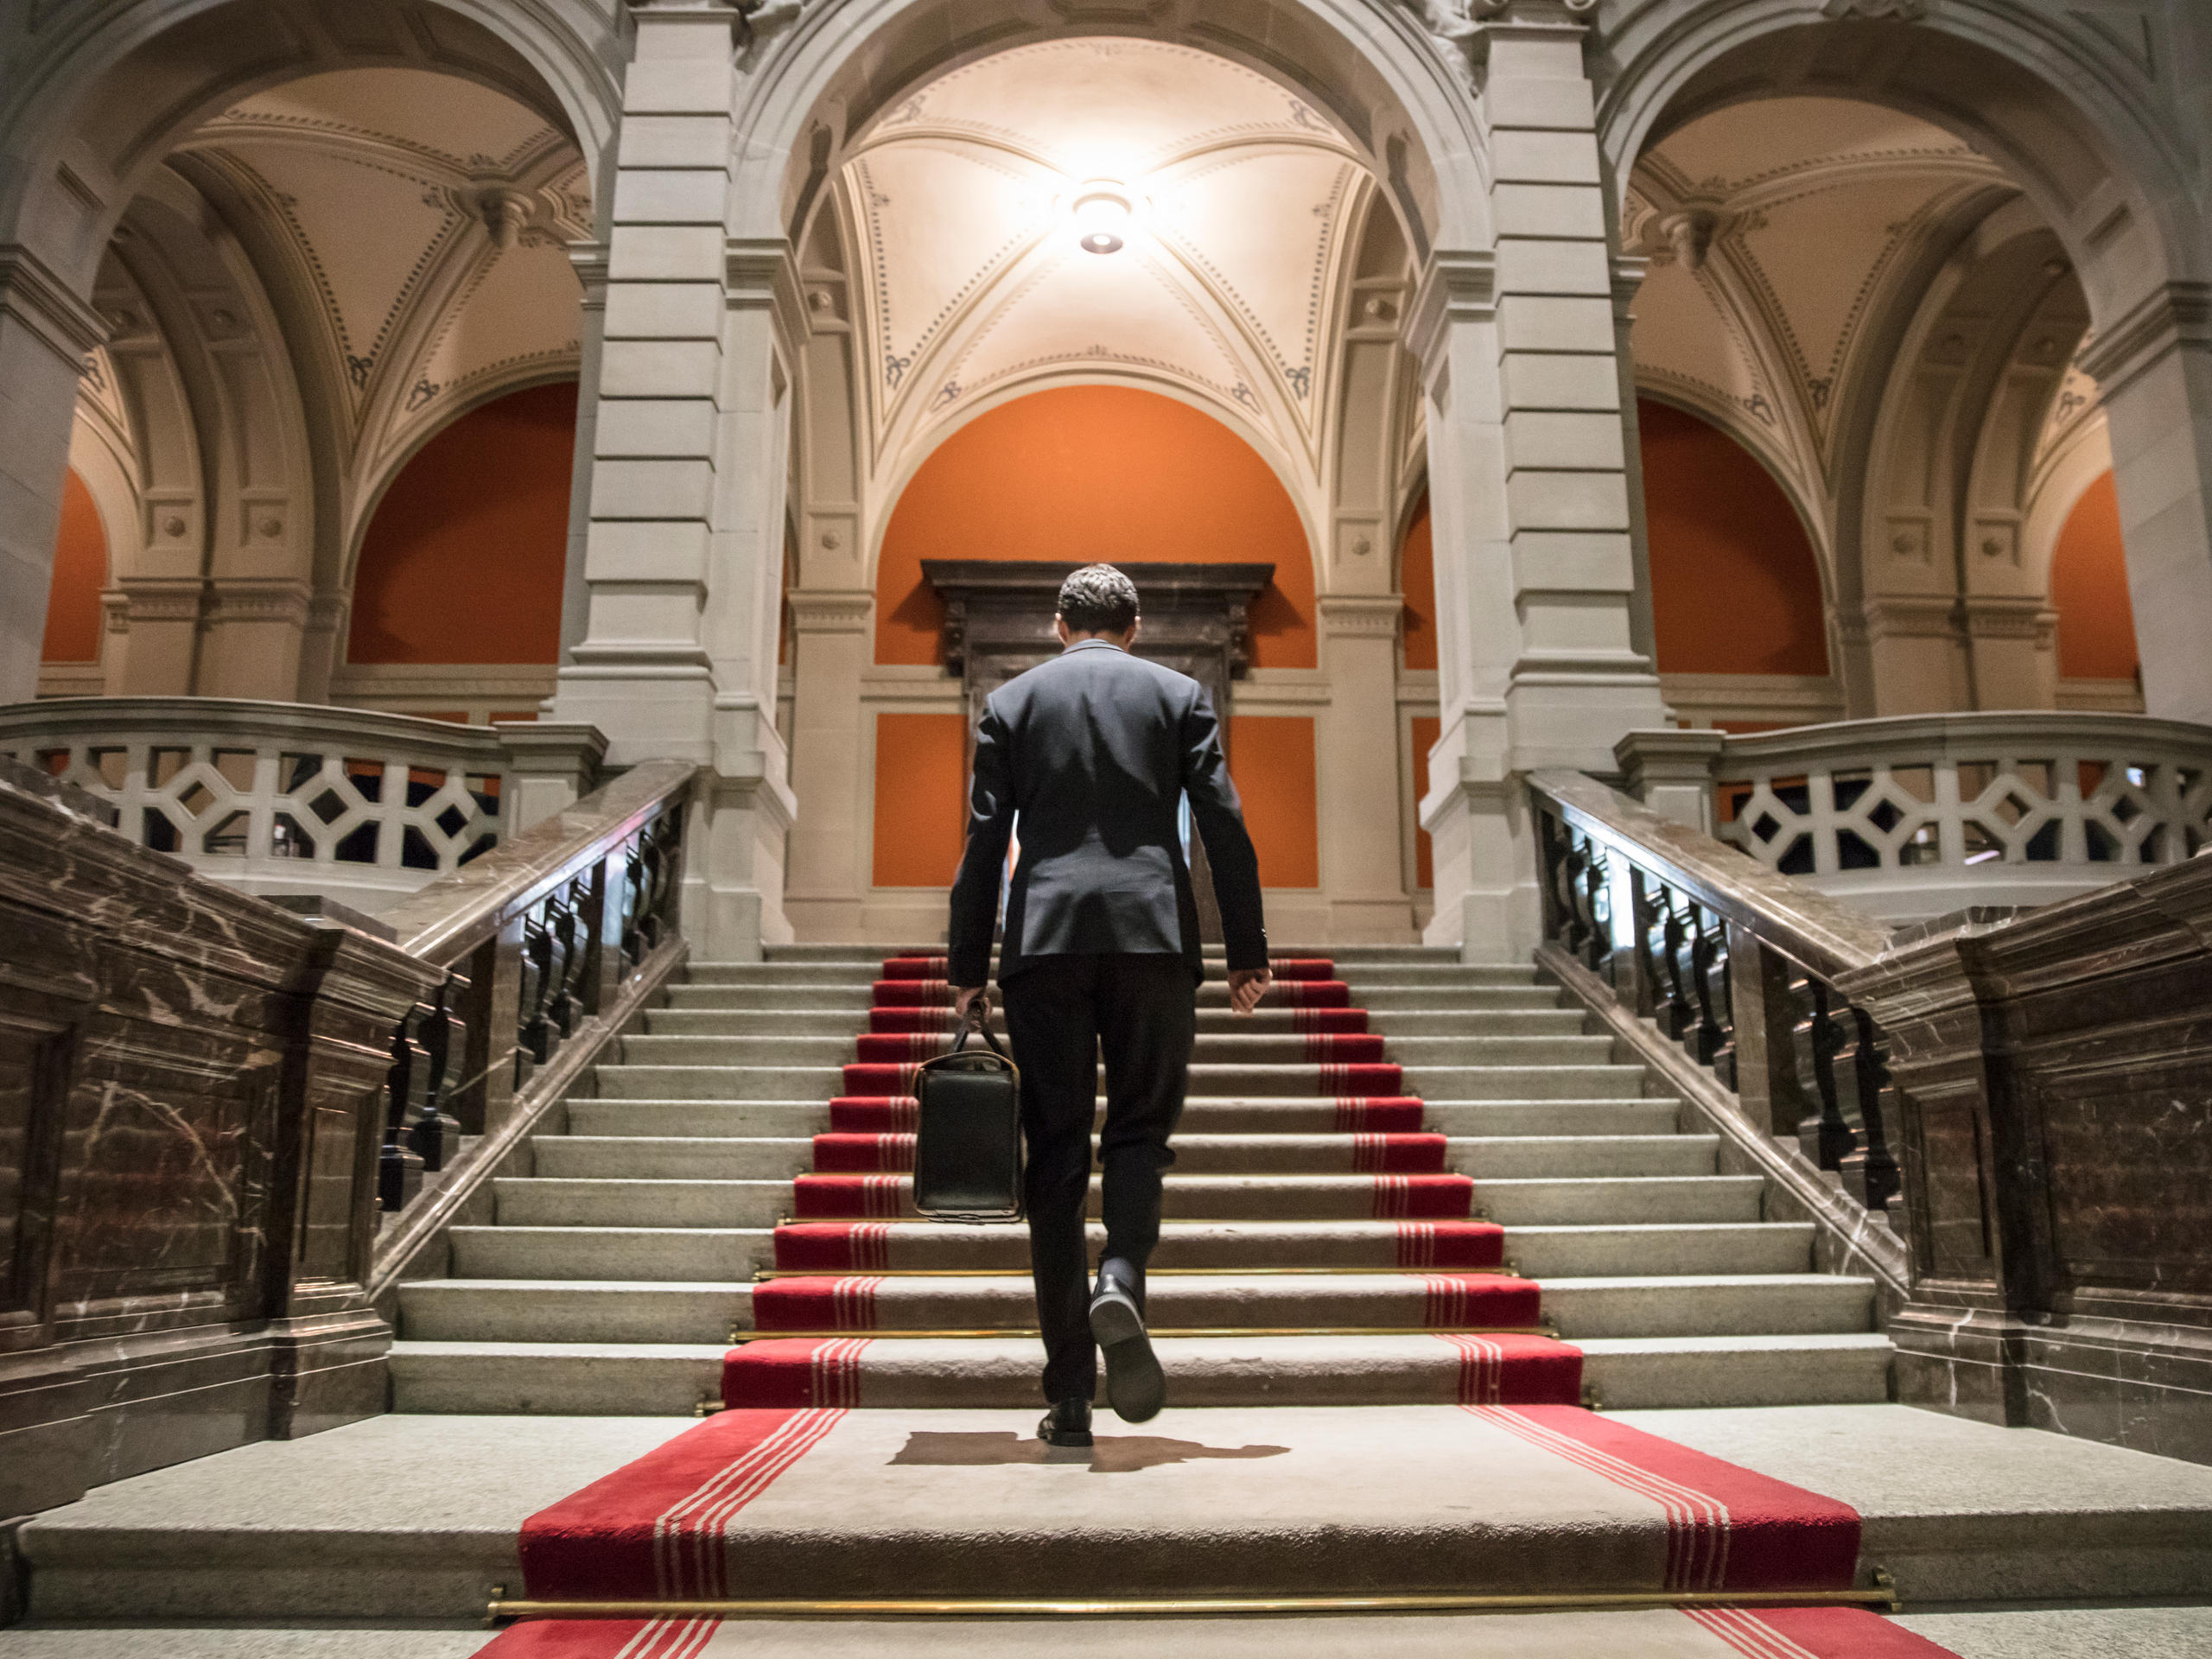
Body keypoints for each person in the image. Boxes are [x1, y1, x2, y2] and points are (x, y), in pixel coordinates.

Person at [946, 563, 1273, 1450]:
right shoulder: (1177, 695)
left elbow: (985, 838)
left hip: (1045, 941)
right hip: (1153, 939)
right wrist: (1245, 949)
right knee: (1138, 1134)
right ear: (1133, 626)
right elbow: (1220, 822)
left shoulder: (1013, 702)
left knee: (1053, 1158)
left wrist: (966, 963)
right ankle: (1119, 1276)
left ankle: (1070, 1398)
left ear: (1061, 625)